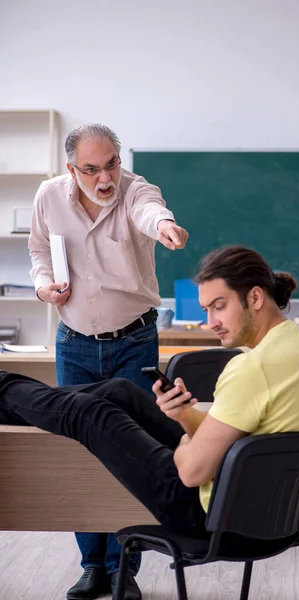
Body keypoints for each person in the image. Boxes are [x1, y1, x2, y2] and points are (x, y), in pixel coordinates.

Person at [0, 246, 299, 596]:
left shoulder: (252, 369)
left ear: (255, 297)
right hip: (279, 516)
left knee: (91, 414)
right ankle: (8, 396)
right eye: (207, 309)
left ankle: (2, 387)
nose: (211, 323)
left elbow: (191, 471)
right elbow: (246, 438)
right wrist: (183, 417)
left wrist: (185, 443)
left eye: (219, 306)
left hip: (210, 517)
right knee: (121, 391)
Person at [28, 123, 188, 600]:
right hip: (73, 343)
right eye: (92, 169)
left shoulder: (136, 190)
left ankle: (124, 568)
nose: (105, 179)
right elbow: (38, 249)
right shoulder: (49, 197)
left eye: (112, 165)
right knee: (79, 451)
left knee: (131, 453)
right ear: (71, 169)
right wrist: (42, 287)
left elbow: (149, 212)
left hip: (134, 342)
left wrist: (164, 228)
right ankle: (91, 566)